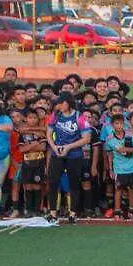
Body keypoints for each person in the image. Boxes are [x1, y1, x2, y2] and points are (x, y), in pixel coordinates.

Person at [46, 93, 90, 223]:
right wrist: (55, 148)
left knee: (74, 184)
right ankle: (53, 212)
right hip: (57, 154)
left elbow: (86, 138)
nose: (59, 106)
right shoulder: (55, 116)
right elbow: (48, 134)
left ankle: (73, 213)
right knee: (53, 182)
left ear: (67, 103)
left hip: (74, 155)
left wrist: (68, 147)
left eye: (61, 103)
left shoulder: (79, 117)